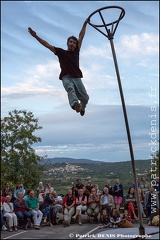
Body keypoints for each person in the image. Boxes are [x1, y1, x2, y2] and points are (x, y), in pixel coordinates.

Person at [28, 19, 89, 116]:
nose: (72, 43)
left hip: (77, 78)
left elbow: (81, 36)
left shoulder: (76, 51)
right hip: (66, 77)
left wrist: (85, 24)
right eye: (70, 42)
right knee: (70, 89)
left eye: (74, 42)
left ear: (76, 45)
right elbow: (47, 44)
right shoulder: (61, 52)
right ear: (67, 43)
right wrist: (36, 36)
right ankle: (75, 104)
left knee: (85, 98)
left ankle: (82, 107)